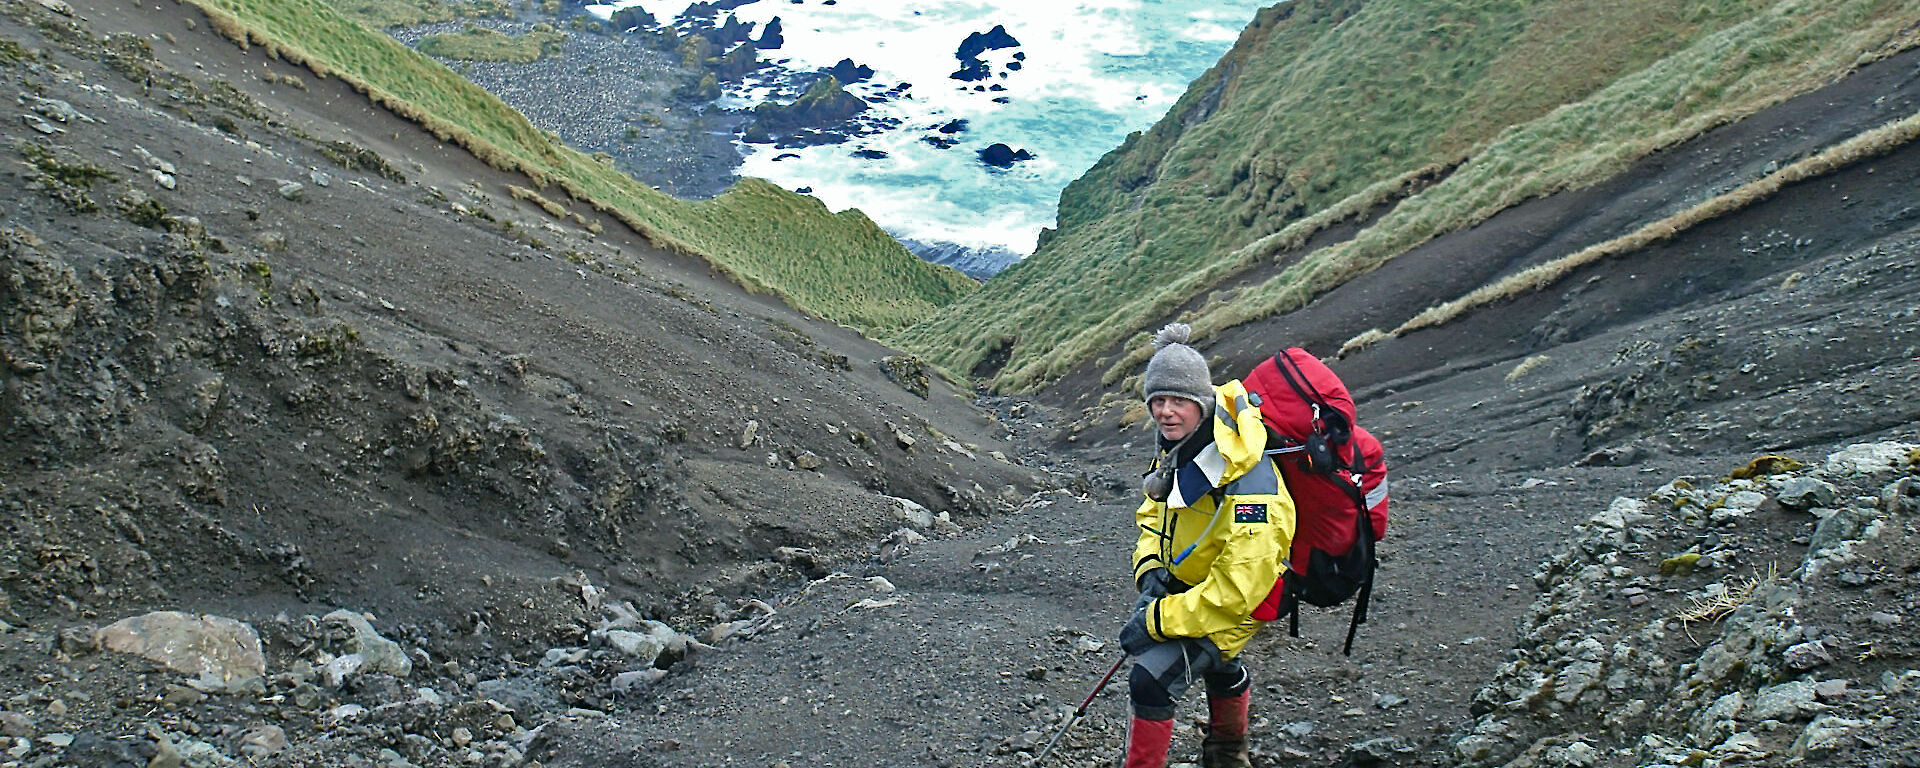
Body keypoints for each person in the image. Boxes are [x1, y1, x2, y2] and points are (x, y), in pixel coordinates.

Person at [1118, 323, 1296, 768]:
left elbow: (1238, 591)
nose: (1166, 411)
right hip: (1196, 590)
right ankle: (1227, 754)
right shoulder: (1181, 451)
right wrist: (1151, 571)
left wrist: (1156, 619)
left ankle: (1221, 752)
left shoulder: (1248, 481)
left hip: (1241, 602)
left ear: (1202, 402)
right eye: (1157, 401)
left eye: (1179, 400)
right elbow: (1153, 517)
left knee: (1151, 679)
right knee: (1217, 663)